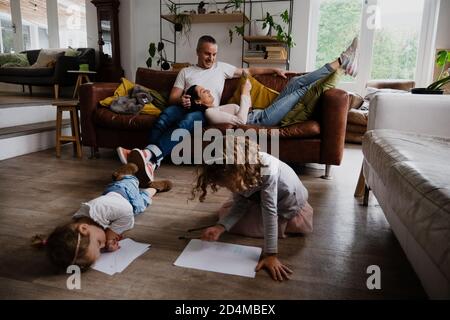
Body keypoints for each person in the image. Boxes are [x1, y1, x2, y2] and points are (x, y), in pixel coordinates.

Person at [116, 35, 293, 185]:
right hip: (183, 107)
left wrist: (274, 69)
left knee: (187, 122)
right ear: (198, 52)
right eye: (207, 54)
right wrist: (182, 99)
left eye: (214, 54)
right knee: (164, 117)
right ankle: (153, 162)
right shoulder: (186, 72)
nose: (211, 58)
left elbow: (249, 70)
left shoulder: (222, 68)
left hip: (204, 111)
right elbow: (172, 98)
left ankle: (148, 155)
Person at [191, 137, 313, 282]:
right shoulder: (241, 171)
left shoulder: (268, 171)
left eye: (228, 184)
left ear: (237, 172)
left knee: (242, 223)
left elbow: (270, 213)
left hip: (286, 204)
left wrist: (271, 254)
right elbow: (241, 201)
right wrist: (220, 227)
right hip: (261, 199)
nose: (229, 188)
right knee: (225, 215)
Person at [32, 164, 172, 271]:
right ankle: (154, 188)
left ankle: (123, 173)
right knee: (142, 202)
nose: (103, 245)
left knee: (133, 182)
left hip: (123, 192)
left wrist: (110, 236)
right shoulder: (79, 228)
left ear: (84, 228)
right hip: (118, 200)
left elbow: (127, 212)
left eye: (99, 243)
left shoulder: (100, 209)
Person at [193, 37, 359, 127]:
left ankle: (344, 63)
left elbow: (243, 105)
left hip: (261, 112)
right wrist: (245, 93)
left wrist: (273, 69)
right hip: (262, 119)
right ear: (199, 101)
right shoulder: (210, 113)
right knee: (301, 90)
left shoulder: (216, 108)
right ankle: (343, 62)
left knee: (295, 82)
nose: (208, 91)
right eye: (203, 92)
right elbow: (242, 121)